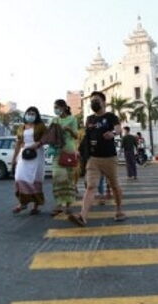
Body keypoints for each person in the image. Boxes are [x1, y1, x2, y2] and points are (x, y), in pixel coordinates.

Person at [68, 91, 125, 226]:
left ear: (104, 102)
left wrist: (112, 133)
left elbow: (118, 129)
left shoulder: (110, 116)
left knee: (114, 186)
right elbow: (86, 136)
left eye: (97, 100)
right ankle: (82, 216)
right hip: (93, 159)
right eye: (92, 100)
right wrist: (79, 150)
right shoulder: (89, 119)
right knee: (91, 186)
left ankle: (119, 210)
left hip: (109, 158)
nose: (94, 102)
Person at [12, 107, 47, 215]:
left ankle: (36, 206)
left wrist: (38, 144)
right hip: (24, 154)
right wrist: (14, 158)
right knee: (19, 177)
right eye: (29, 113)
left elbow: (46, 138)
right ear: (25, 114)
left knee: (35, 178)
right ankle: (23, 203)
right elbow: (18, 143)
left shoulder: (40, 126)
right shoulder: (21, 128)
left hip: (36, 154)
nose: (30, 115)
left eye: (33, 114)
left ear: (36, 116)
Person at [49, 99, 79, 216]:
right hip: (57, 151)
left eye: (57, 107)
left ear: (64, 107)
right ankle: (59, 204)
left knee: (69, 178)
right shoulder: (54, 120)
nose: (56, 110)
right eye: (54, 107)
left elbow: (76, 135)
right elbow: (50, 134)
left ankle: (68, 205)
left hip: (69, 151)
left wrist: (68, 130)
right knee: (57, 177)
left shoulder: (72, 119)